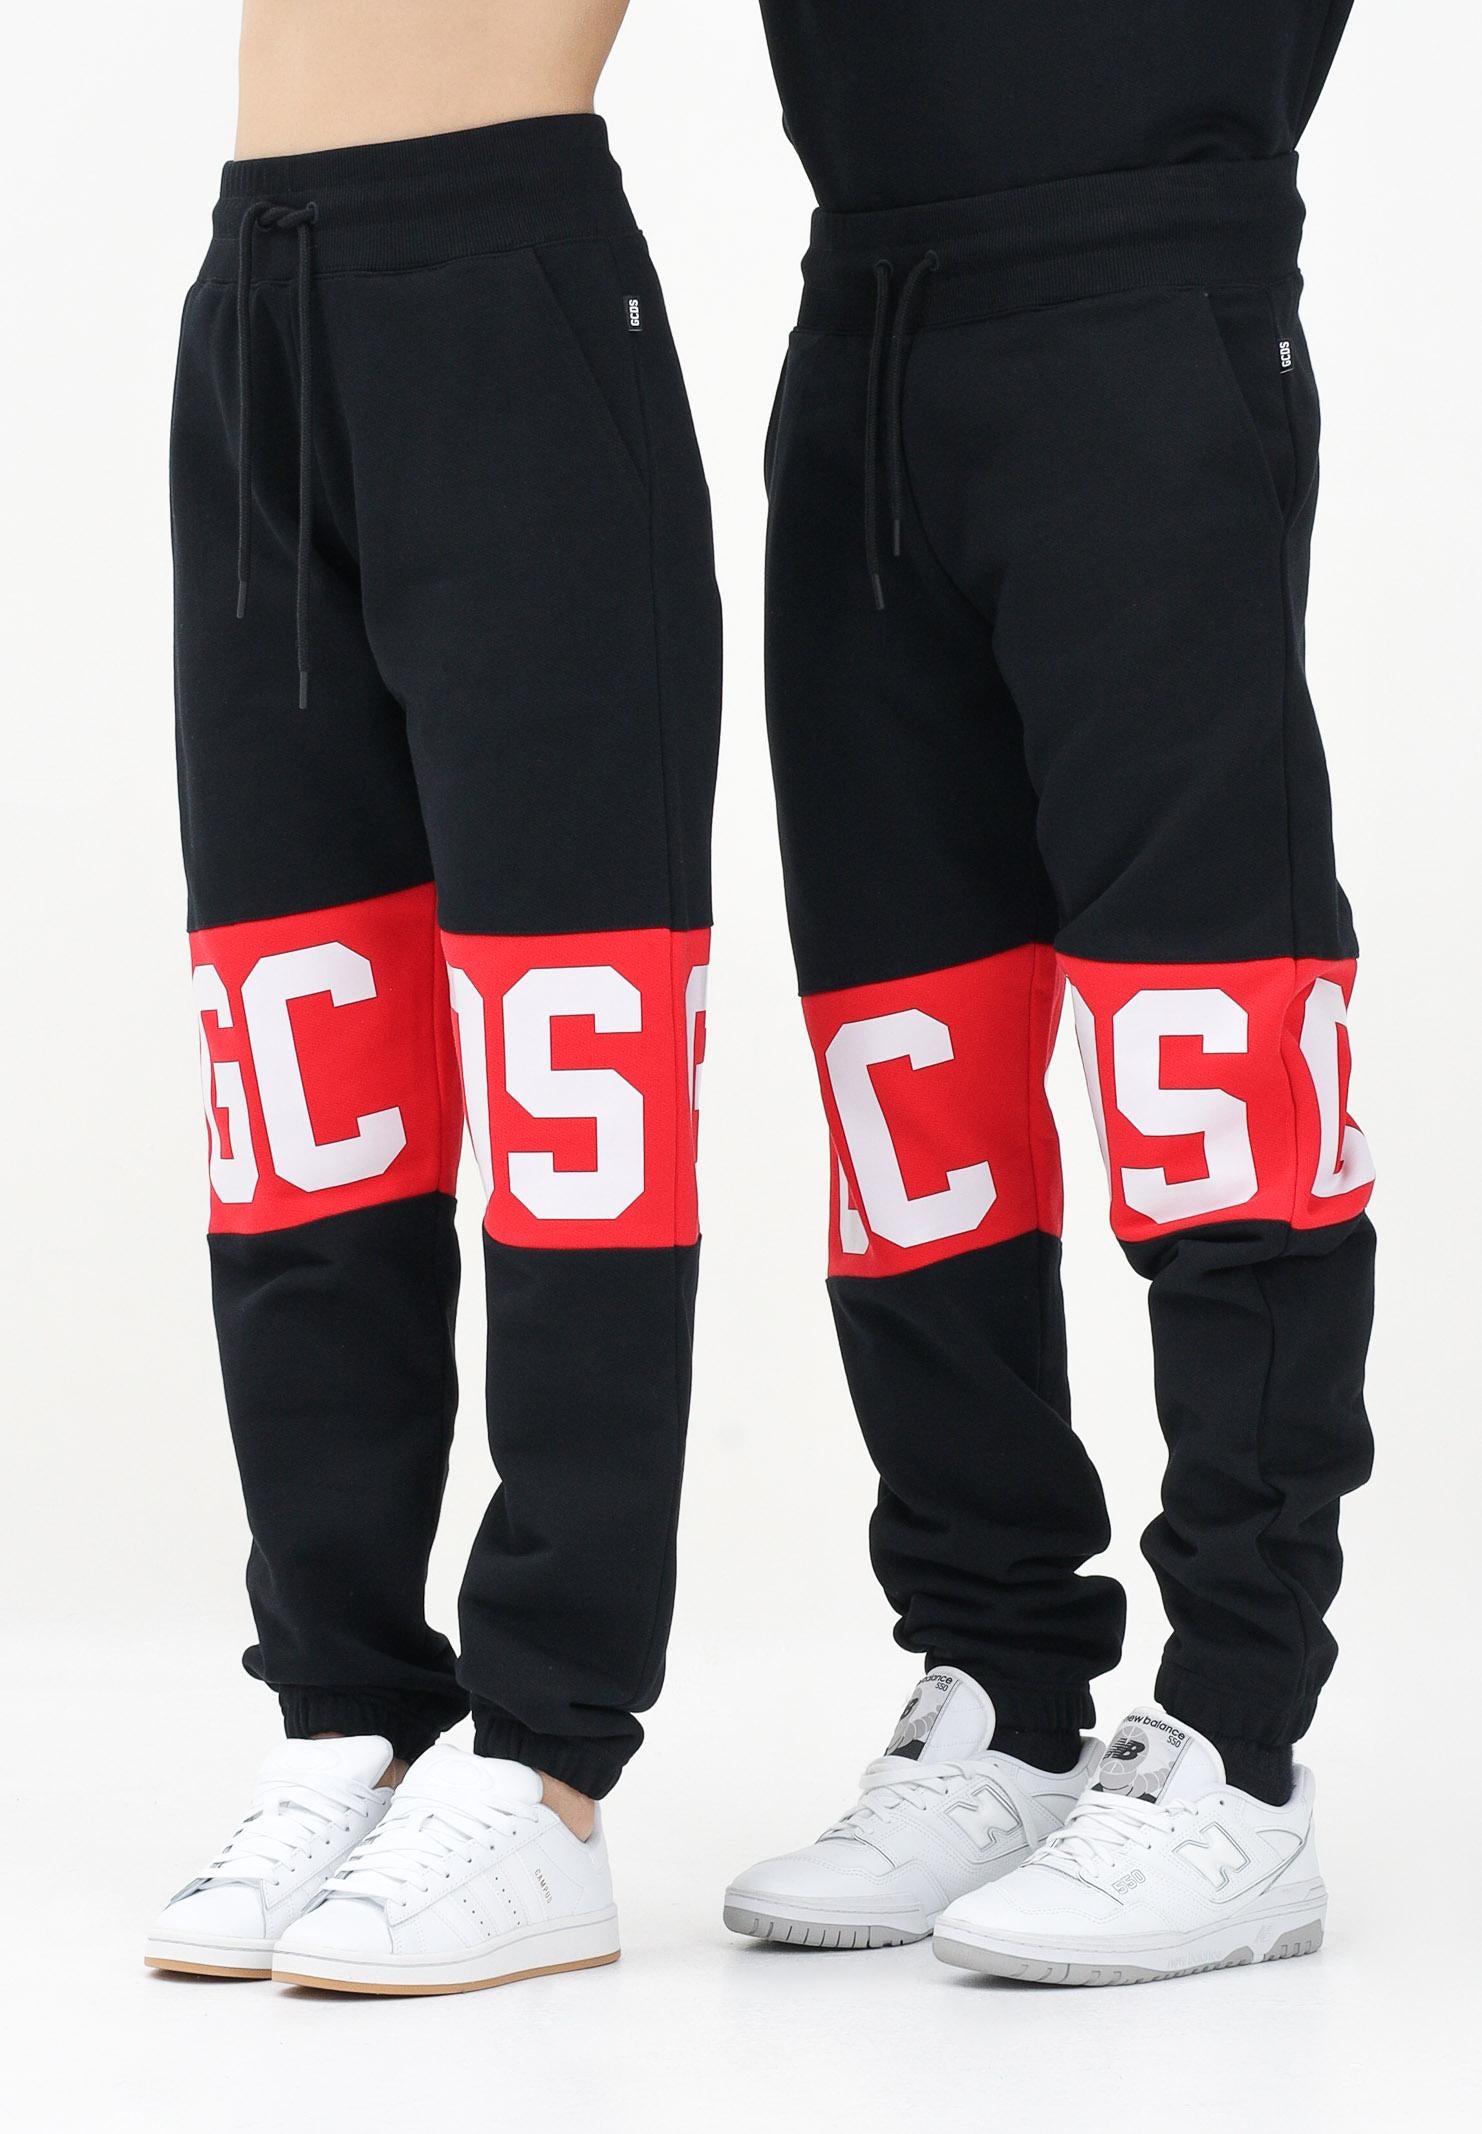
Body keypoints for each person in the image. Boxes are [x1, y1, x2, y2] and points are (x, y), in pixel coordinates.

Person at [726, 1, 1371, 1985]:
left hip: (1144, 303)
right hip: (861, 332)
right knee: (907, 1065)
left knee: (1212, 1029)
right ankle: (1001, 1682)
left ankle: (1241, 1738)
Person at [147, 0, 720, 1996]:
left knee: (578, 1047)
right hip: (255, 305)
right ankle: (349, 1712)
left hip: (508, 289)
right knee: (298, 1047)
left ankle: (547, 1764)